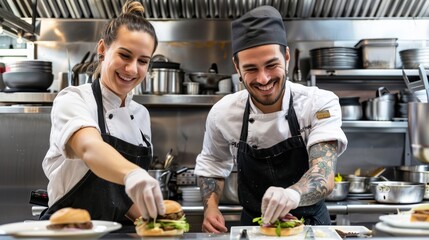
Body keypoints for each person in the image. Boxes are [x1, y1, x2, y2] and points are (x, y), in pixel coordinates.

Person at [194, 5, 348, 233]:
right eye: (251, 69)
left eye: (271, 65)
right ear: (237, 67)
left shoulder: (318, 103)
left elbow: (323, 174)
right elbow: (212, 166)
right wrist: (211, 207)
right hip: (255, 228)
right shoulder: (223, 113)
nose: (263, 78)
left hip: (311, 228)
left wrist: (292, 194)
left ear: (286, 57)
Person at [40, 0, 164, 225]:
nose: (132, 69)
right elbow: (90, 147)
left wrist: (157, 219)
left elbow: (119, 200)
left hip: (117, 232)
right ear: (102, 50)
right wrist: (132, 174)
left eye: (143, 61)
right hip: (68, 231)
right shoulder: (74, 98)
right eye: (125, 56)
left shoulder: (141, 115)